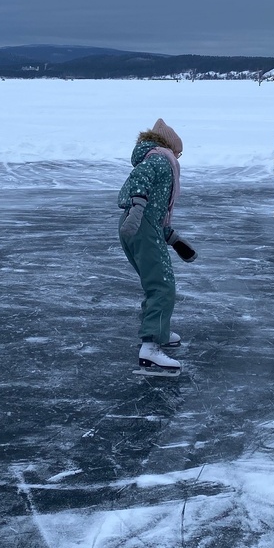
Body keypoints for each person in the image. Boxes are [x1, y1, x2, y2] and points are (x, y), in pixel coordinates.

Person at [117, 118, 196, 376]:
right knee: (162, 284)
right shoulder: (160, 159)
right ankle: (150, 349)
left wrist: (172, 238)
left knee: (157, 282)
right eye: (179, 152)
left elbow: (156, 209)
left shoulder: (157, 158)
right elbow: (138, 180)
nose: (179, 157)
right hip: (139, 225)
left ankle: (158, 331)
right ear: (170, 145)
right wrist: (137, 208)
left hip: (144, 225)